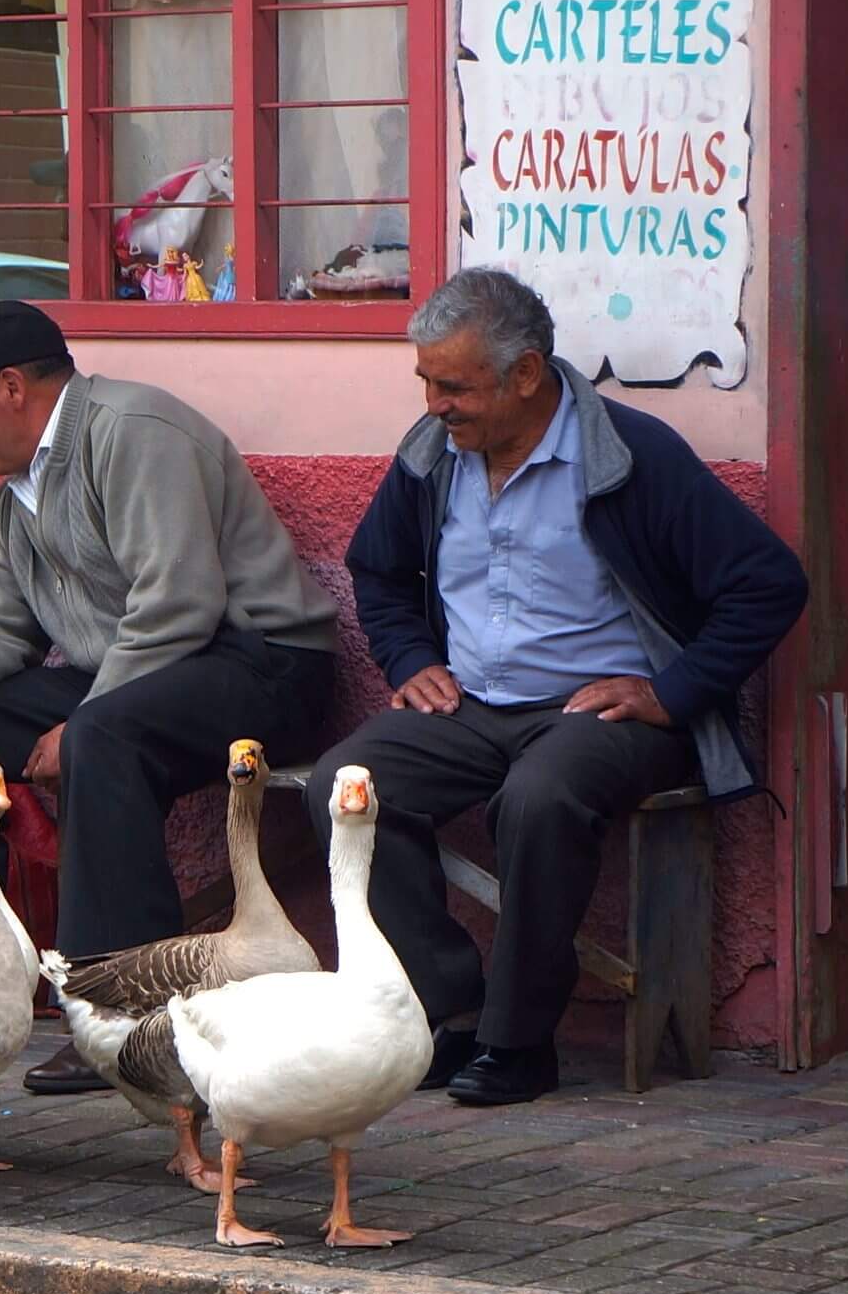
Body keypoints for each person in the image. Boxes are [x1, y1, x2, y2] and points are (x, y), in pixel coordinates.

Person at [308, 267, 808, 1106]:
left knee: (540, 799)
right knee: (346, 788)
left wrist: (673, 691)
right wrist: (407, 660)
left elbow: (770, 583)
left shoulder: (630, 456)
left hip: (603, 715)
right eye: (426, 381)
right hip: (471, 705)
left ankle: (517, 1041)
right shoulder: (433, 455)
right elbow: (377, 570)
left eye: (455, 385)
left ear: (527, 374)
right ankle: (445, 1004)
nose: (434, 402)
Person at [0, 300, 341, 1094]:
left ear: (12, 386)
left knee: (102, 740)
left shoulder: (135, 431)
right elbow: (7, 618)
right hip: (137, 673)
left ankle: (120, 1018)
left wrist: (83, 719)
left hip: (265, 664)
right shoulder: (11, 493)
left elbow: (178, 602)